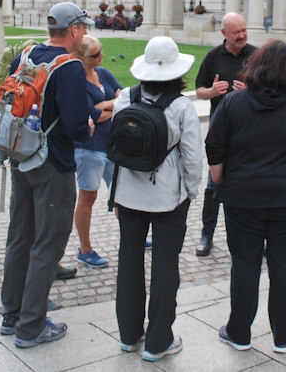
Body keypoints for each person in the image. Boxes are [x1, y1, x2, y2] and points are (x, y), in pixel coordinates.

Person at [206, 40, 286, 354]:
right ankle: (284, 335)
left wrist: (220, 179)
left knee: (245, 265)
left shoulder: (235, 102)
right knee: (285, 265)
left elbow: (215, 146)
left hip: (243, 196)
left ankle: (239, 332)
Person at [0, 2, 96, 348]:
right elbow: (73, 126)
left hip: (20, 155)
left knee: (20, 236)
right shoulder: (69, 67)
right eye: (82, 27)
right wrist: (86, 127)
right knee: (48, 243)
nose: (84, 32)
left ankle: (12, 315)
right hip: (52, 163)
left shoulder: (25, 55)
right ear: (72, 31)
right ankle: (31, 325)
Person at [113, 37, 202, 362]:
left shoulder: (125, 98)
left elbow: (118, 148)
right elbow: (192, 158)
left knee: (129, 261)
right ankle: (157, 340)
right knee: (166, 266)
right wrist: (192, 190)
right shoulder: (180, 107)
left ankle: (128, 334)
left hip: (129, 195)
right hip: (167, 198)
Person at [193, 12, 257, 257]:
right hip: (220, 132)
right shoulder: (212, 57)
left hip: (250, 132)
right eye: (235, 32)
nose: (241, 35)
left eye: (243, 30)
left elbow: (272, 89)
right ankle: (206, 234)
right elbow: (198, 90)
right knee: (213, 186)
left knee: (250, 185)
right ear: (224, 34)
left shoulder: (256, 55)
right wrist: (211, 91)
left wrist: (253, 90)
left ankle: (250, 237)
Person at [73, 35, 122, 269]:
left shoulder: (103, 74)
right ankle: (85, 249)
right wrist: (109, 106)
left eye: (101, 51)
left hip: (113, 145)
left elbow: (123, 97)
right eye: (96, 54)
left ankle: (134, 237)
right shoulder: (76, 81)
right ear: (82, 58)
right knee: (88, 198)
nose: (101, 56)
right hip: (89, 148)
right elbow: (87, 116)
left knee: (122, 193)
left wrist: (101, 107)